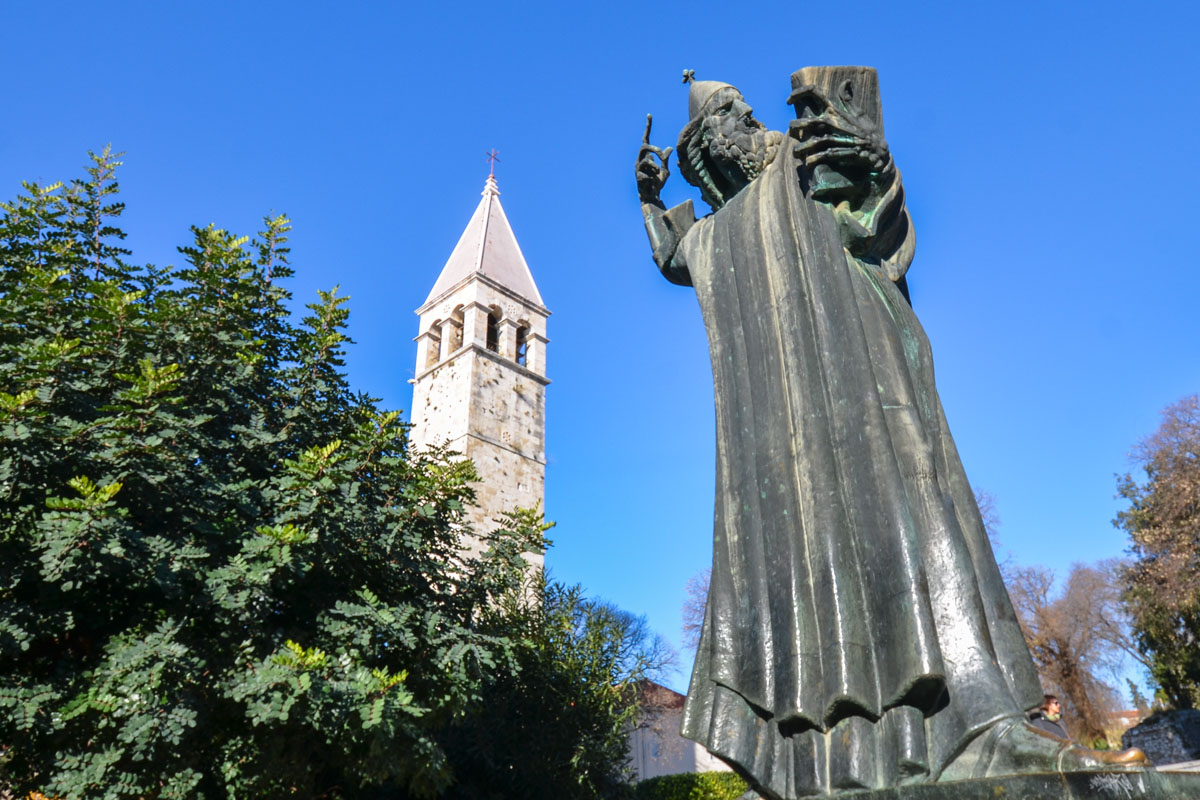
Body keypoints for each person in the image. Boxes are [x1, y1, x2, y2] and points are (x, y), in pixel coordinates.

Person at [637, 68, 1145, 797]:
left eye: (746, 115)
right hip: (781, 454)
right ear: (708, 150)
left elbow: (872, 215)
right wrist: (652, 202)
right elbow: (672, 256)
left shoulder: (802, 169)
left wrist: (875, 162)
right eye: (731, 121)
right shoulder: (716, 239)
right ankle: (813, 764)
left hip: (869, 394)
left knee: (923, 519)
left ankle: (982, 723)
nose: (750, 128)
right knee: (801, 581)